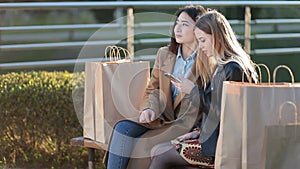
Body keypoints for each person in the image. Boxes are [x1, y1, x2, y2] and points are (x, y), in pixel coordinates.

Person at [149, 9, 258, 169]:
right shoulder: (221, 66)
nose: (200, 47)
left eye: (202, 40)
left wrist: (192, 91)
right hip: (213, 138)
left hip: (223, 146)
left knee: (160, 157)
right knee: (157, 150)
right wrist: (198, 131)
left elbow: (224, 111)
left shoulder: (233, 69)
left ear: (217, 37)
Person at [105, 5, 207, 169]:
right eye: (177, 23)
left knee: (141, 146)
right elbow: (153, 88)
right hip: (160, 118)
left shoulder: (207, 59)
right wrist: (148, 109)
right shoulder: (164, 54)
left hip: (185, 125)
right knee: (122, 129)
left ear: (199, 29)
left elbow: (210, 98)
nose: (177, 28)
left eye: (185, 24)